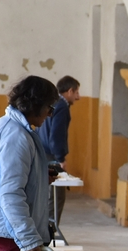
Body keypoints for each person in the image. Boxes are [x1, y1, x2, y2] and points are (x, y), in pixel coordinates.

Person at [0, 76, 60, 251]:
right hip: (8, 231)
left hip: (5, 227)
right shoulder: (15, 135)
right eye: (49, 108)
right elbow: (10, 192)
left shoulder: (7, 126)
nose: (50, 114)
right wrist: (27, 237)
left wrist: (39, 177)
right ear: (36, 105)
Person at [38, 75, 81, 225]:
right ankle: (50, 228)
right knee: (56, 195)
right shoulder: (62, 106)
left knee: (45, 193)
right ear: (69, 91)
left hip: (41, 152)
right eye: (76, 93)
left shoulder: (50, 103)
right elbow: (57, 135)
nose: (78, 97)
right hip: (52, 155)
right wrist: (61, 158)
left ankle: (44, 226)